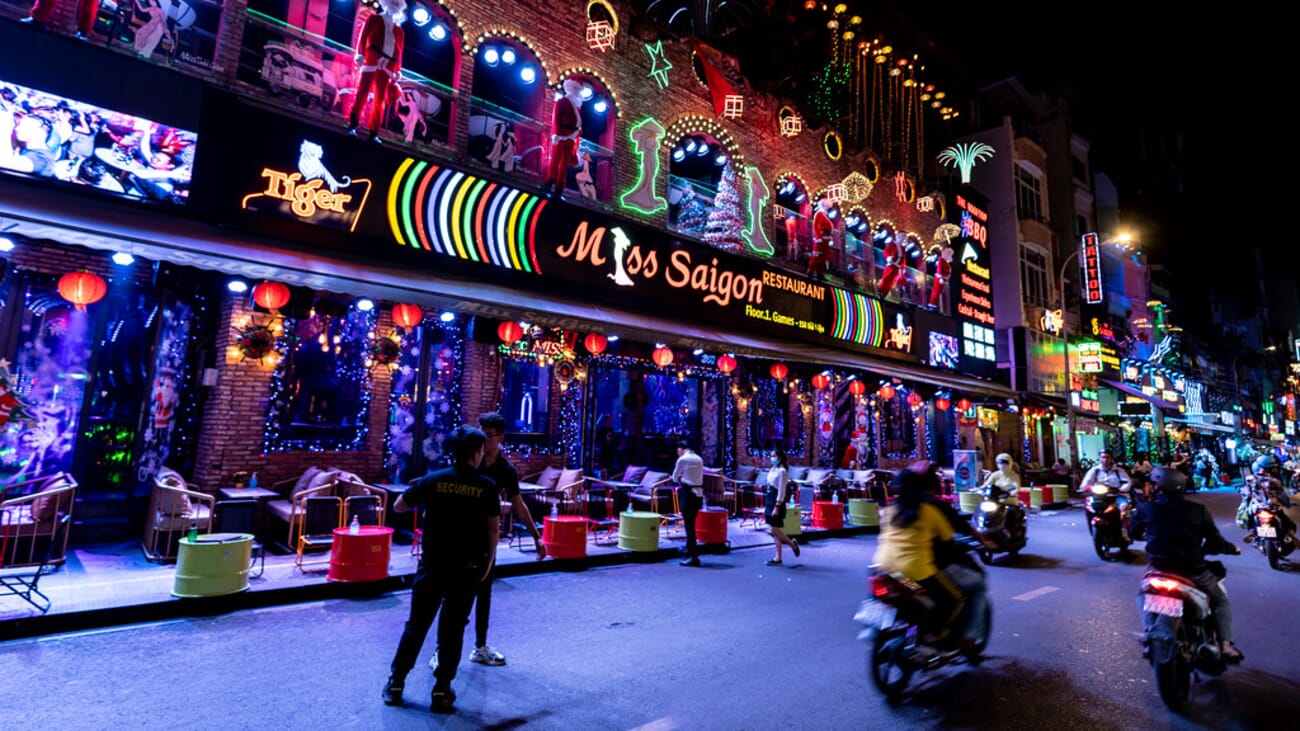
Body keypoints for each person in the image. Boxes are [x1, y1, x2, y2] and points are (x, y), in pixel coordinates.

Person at [383, 426, 499, 714]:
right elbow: (493, 530)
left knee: (417, 625)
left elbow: (398, 506)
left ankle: (396, 682)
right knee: (452, 629)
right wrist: (489, 562)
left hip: (433, 566)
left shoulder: (434, 480)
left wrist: (424, 495)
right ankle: (442, 689)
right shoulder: (487, 486)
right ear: (476, 453)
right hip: (468, 568)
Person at [435, 412, 544, 670]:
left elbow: (518, 505)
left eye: (488, 435)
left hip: (484, 539)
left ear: (501, 438)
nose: (483, 440)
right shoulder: (469, 460)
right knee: (453, 595)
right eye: (481, 433)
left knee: (484, 592)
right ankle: (442, 650)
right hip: (458, 535)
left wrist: (536, 537)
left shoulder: (505, 470)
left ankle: (480, 646)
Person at [1130, 467, 1243, 663]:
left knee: (1142, 593)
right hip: (1192, 571)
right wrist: (1231, 548)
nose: (1151, 487)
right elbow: (1216, 542)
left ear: (1158, 487)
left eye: (1153, 484)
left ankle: (1149, 631)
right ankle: (1226, 645)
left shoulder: (1145, 509)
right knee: (1219, 600)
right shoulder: (1198, 511)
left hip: (1159, 569)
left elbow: (1133, 532)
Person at [873, 467, 965, 647]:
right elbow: (948, 541)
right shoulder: (929, 512)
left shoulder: (890, 510)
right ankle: (933, 637)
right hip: (912, 576)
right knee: (954, 599)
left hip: (882, 569)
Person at [1242, 454, 1296, 544]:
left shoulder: (1249, 479)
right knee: (1285, 520)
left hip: (1257, 508)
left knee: (1250, 516)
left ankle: (1254, 532)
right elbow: (1282, 495)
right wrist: (1287, 504)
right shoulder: (1275, 481)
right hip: (1273, 508)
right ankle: (1287, 534)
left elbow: (1246, 494)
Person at [543, 79, 583, 196]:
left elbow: (578, 123)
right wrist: (555, 134)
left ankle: (560, 187)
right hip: (561, 135)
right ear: (569, 88)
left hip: (571, 137)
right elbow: (556, 118)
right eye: (575, 88)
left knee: (564, 164)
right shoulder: (561, 102)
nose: (576, 91)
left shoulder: (577, 106)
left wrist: (577, 134)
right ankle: (549, 182)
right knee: (555, 161)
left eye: (578, 89)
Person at [763, 446, 800, 565]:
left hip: (776, 500)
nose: (771, 458)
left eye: (774, 456)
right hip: (769, 497)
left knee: (774, 528)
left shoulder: (782, 471)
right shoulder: (773, 469)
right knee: (774, 530)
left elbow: (781, 490)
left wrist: (777, 506)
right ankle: (778, 557)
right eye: (771, 456)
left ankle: (792, 544)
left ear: (779, 457)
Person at [672, 439, 704, 566]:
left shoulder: (683, 459)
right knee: (692, 524)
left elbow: (675, 477)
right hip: (698, 493)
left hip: (688, 493)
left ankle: (693, 556)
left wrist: (681, 477)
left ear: (680, 449)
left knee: (689, 526)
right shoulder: (699, 459)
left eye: (677, 450)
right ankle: (688, 550)